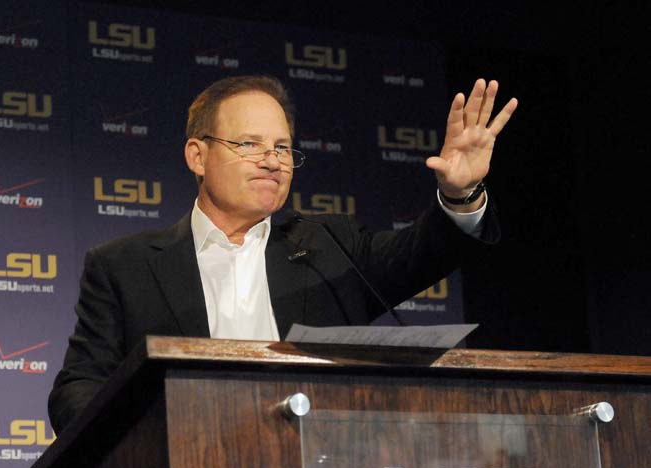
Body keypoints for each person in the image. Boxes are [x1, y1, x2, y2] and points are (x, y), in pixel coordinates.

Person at [48, 75, 517, 433]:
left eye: (282, 148)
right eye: (248, 144)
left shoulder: (331, 245)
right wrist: (146, 432)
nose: (272, 160)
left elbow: (423, 253)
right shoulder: (124, 266)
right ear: (197, 156)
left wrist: (460, 193)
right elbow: (77, 391)